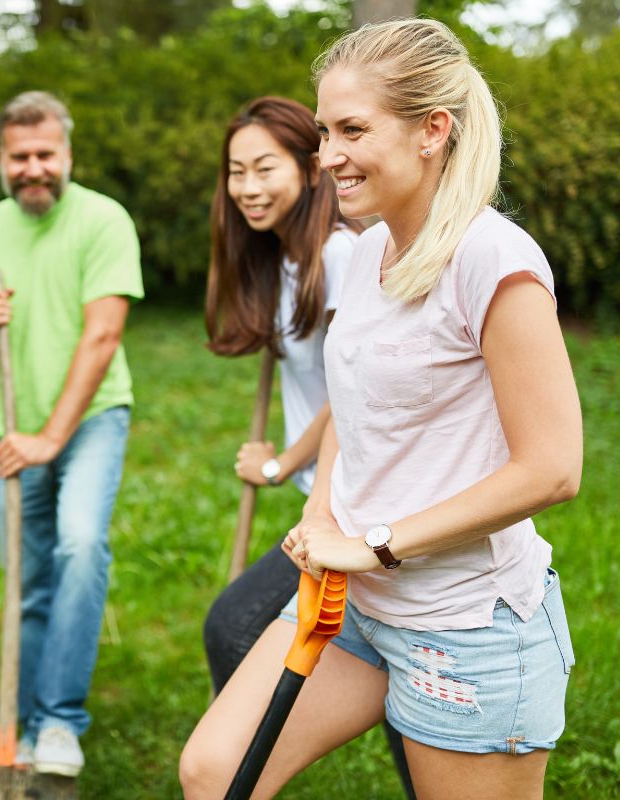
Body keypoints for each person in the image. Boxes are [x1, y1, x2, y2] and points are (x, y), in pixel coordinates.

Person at [180, 18, 581, 799]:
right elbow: (351, 407)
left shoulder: (494, 260)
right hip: (355, 604)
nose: (327, 155)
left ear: (434, 130)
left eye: (352, 130)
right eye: (325, 130)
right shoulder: (366, 252)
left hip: (463, 625)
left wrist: (377, 543)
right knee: (214, 771)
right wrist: (326, 512)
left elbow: (553, 468)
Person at [0, 90, 144, 777]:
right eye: (20, 156)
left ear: (68, 154)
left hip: (89, 420)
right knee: (26, 581)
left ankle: (59, 720)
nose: (34, 168)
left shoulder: (104, 220)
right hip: (12, 425)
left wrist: (52, 438)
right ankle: (24, 727)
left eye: (45, 155)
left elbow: (103, 334)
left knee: (81, 545)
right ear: (2, 159)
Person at [200, 95, 362, 692]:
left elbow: (355, 387)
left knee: (234, 627)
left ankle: (237, 767)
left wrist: (278, 463)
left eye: (265, 168)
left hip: (354, 497)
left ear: (309, 164)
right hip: (328, 495)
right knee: (392, 666)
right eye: (236, 172)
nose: (248, 187)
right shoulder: (288, 257)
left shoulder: (340, 252)